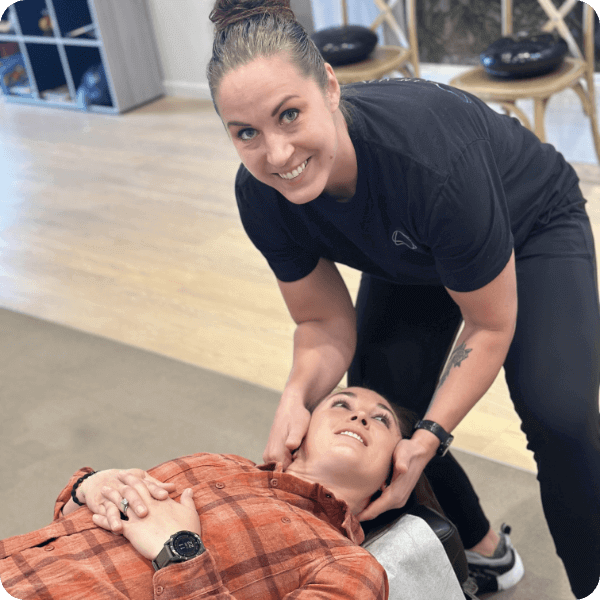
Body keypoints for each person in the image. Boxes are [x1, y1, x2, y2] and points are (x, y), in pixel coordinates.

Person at [205, 1, 600, 598]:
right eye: (247, 133)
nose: (277, 155)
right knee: (378, 418)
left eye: (290, 115)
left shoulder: (430, 162)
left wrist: (434, 434)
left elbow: (488, 326)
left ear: (330, 87)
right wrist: (297, 393)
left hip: (532, 225)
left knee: (561, 420)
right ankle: (481, 549)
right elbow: (320, 321)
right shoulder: (260, 195)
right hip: (414, 252)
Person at [1, 387, 462, 600]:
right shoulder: (216, 463)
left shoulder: (353, 568)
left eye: (381, 420)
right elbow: (73, 527)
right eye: (340, 404)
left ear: (391, 477)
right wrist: (88, 487)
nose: (360, 416)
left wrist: (179, 554)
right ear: (298, 435)